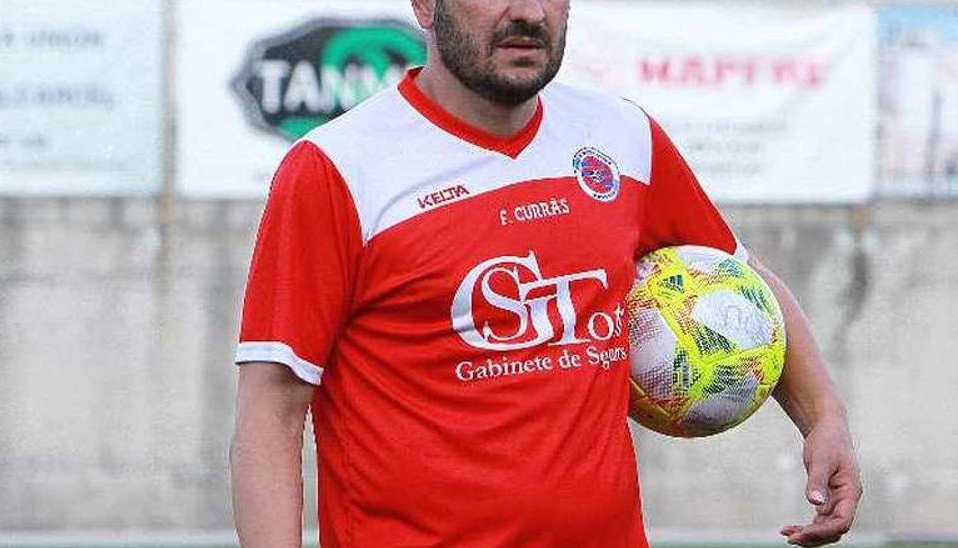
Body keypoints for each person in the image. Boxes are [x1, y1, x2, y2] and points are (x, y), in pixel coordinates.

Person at [231, 1, 862, 546]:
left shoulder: (620, 137)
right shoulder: (335, 170)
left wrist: (824, 416)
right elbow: (271, 414)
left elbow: (741, 280)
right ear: (425, 6)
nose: (529, 13)